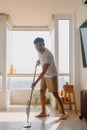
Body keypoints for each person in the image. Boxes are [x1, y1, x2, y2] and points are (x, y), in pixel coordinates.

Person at [32, 37, 68, 119]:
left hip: (52, 75)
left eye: (40, 45)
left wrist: (35, 82)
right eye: (36, 46)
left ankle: (63, 113)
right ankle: (43, 112)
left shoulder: (48, 54)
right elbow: (42, 59)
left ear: (44, 44)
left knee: (55, 94)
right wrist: (39, 61)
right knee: (41, 92)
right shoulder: (39, 52)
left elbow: (44, 71)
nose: (38, 48)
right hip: (45, 76)